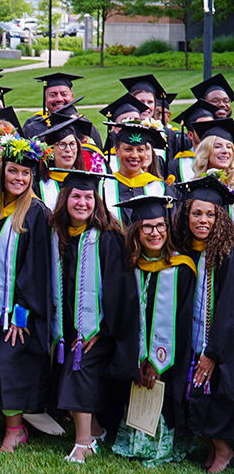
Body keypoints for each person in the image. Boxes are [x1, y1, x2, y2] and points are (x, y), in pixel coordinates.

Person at [49, 170, 138, 462]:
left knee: (79, 367)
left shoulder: (107, 238)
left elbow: (118, 289)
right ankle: (96, 429)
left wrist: (100, 328)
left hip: (103, 329)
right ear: (65, 199)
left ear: (97, 201)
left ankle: (83, 442)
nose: (82, 202)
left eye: (88, 197)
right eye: (76, 196)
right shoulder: (58, 235)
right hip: (69, 327)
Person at [0, 130, 53, 453]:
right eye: (13, 170)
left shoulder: (36, 213)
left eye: (25, 173)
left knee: (9, 362)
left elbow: (36, 270)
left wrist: (22, 312)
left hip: (18, 311)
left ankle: (15, 429)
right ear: (2, 171)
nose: (19, 178)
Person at [111, 195, 196, 468]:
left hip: (171, 359)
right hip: (132, 357)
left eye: (161, 225)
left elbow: (184, 321)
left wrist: (159, 361)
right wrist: (136, 358)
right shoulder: (127, 267)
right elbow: (121, 319)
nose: (155, 232)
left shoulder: (182, 269)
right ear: (135, 229)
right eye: (147, 226)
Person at [177, 176, 234, 473]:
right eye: (196, 213)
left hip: (223, 346)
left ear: (221, 218)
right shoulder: (189, 250)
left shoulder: (228, 254)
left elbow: (228, 309)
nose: (203, 220)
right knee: (201, 389)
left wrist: (212, 352)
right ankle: (213, 448)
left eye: (211, 214)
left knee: (218, 393)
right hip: (198, 339)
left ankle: (224, 451)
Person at [102, 122, 171, 223]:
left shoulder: (158, 186)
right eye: (128, 149)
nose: (135, 155)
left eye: (140, 150)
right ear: (116, 151)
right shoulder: (104, 186)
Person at [37, 116, 90, 211]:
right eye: (62, 144)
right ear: (51, 150)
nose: (68, 150)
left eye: (72, 144)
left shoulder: (88, 182)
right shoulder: (38, 185)